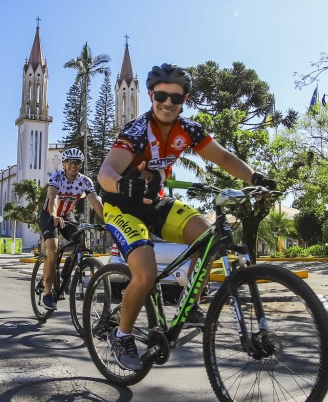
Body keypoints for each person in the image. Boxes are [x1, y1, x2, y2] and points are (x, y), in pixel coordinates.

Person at [97, 63, 276, 370]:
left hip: (155, 202)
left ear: (185, 100)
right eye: (161, 96)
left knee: (207, 237)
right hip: (122, 205)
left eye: (175, 98)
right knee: (146, 273)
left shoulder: (188, 130)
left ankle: (189, 304)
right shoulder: (136, 132)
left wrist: (255, 177)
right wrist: (123, 184)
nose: (167, 103)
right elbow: (105, 172)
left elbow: (223, 157)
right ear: (151, 96)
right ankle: (122, 334)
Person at [38, 147, 105, 310]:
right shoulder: (56, 177)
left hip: (67, 216)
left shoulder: (85, 181)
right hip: (49, 215)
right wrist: (54, 215)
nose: (73, 165)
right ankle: (48, 294)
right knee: (53, 250)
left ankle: (65, 272)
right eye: (69, 162)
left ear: (81, 165)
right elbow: (53, 197)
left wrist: (108, 220)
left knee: (80, 242)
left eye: (77, 163)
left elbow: (95, 201)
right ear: (64, 164)